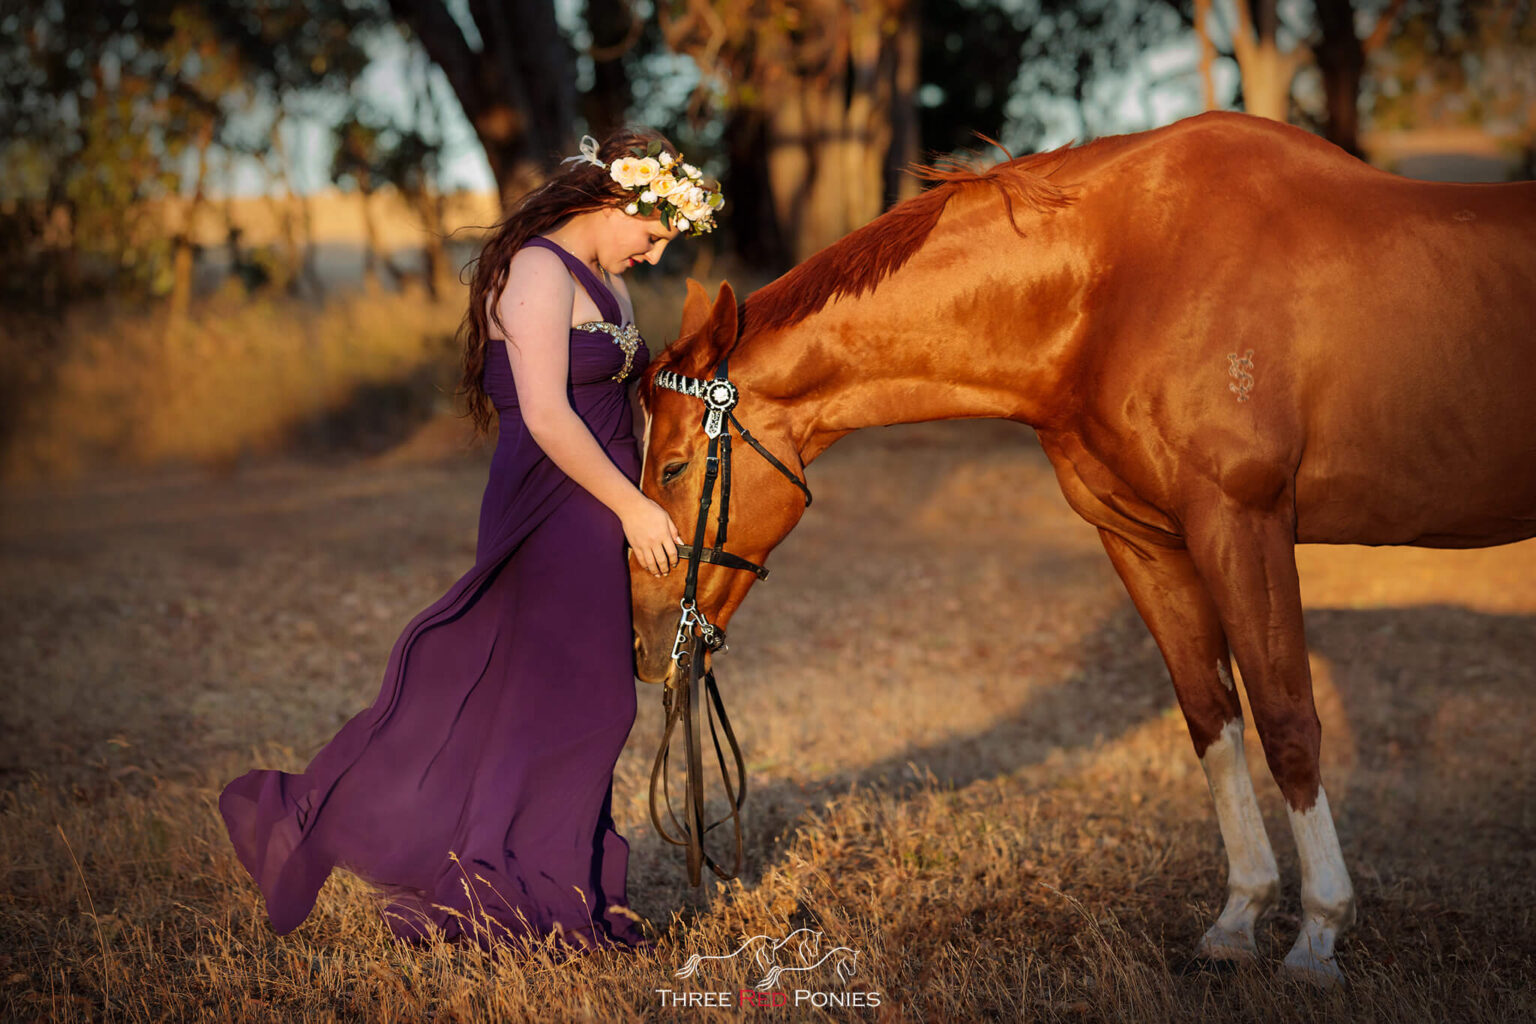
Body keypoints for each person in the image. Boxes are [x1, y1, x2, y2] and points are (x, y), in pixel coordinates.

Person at [219, 127, 725, 953]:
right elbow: (551, 416)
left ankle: (560, 885)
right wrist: (630, 509)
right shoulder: (535, 272)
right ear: (613, 199)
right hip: (550, 504)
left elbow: (625, 405)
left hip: (603, 505)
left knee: (582, 703)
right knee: (571, 700)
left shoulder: (610, 284)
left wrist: (655, 491)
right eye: (654, 232)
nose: (657, 252)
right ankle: (496, 879)